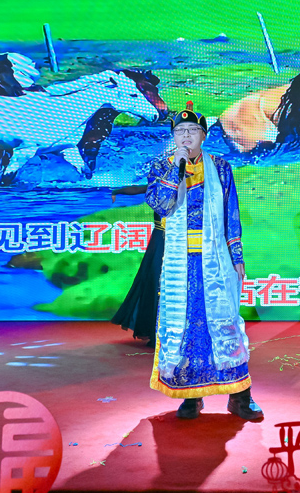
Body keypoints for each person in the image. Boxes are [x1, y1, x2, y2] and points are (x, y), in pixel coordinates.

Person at [145, 102, 263, 421]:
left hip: (216, 261)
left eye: (192, 131)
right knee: (183, 327)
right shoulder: (161, 166)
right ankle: (190, 396)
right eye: (180, 132)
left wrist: (236, 254)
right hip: (179, 263)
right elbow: (160, 205)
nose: (186, 136)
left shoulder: (220, 167)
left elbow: (231, 213)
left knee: (226, 322)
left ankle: (240, 396)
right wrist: (176, 168)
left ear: (204, 136)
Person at [110, 185, 163, 347]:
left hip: (183, 240)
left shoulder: (190, 184)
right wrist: (117, 191)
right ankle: (155, 333)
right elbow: (139, 189)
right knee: (155, 284)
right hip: (161, 240)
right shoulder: (161, 183)